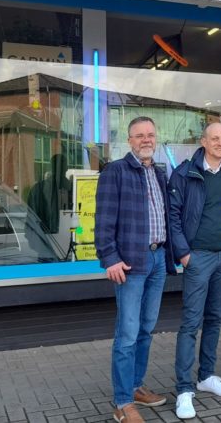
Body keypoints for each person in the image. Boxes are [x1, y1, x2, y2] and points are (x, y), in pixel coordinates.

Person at [95, 116, 176, 423]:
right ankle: (122, 401)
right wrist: (110, 258)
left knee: (146, 329)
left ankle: (136, 385)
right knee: (127, 333)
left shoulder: (158, 172)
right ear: (129, 140)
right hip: (129, 263)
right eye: (140, 135)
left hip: (156, 260)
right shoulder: (115, 171)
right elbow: (103, 220)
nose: (146, 140)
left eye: (150, 135)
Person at [168, 122, 221, 420]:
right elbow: (173, 216)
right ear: (203, 141)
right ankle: (184, 389)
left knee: (214, 318)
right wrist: (184, 254)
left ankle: (207, 376)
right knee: (191, 322)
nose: (220, 143)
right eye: (214, 138)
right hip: (197, 257)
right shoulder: (185, 173)